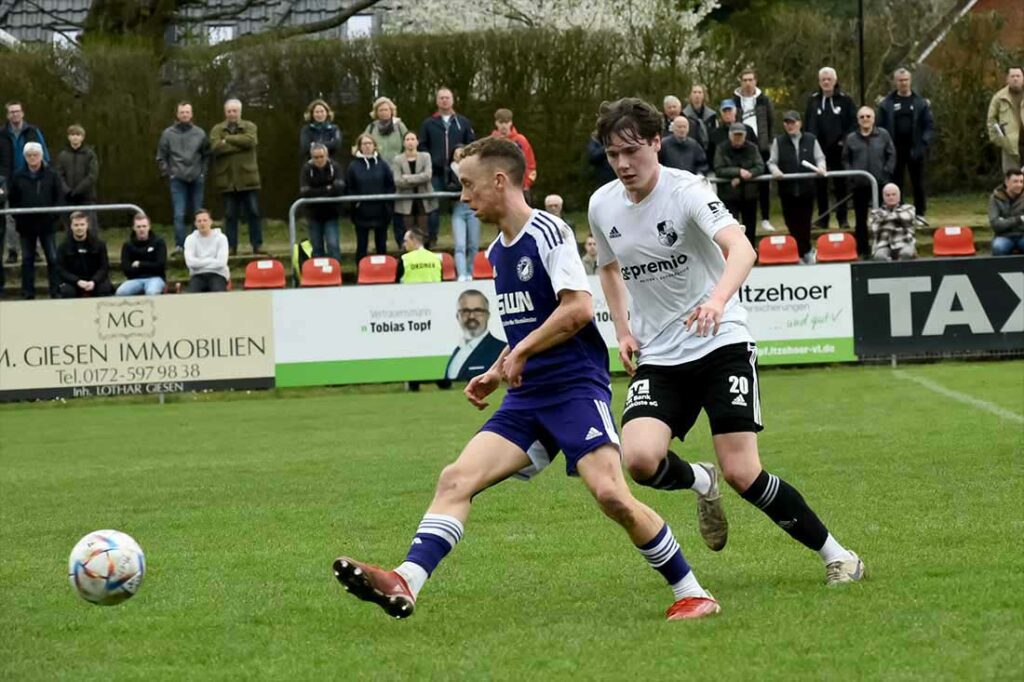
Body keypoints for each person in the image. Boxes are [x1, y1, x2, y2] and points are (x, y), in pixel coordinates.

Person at [333, 135, 722, 622]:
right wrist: (498, 370)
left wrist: (517, 352)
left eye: (469, 185)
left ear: (500, 181)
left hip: (575, 388)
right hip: (526, 397)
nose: (463, 196)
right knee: (456, 478)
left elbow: (577, 310)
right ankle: (406, 580)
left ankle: (693, 591)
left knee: (611, 496)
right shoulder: (497, 252)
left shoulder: (549, 233)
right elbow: (526, 325)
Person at [588, 97, 863, 587]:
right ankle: (700, 479)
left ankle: (838, 555)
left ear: (657, 143)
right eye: (613, 155)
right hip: (660, 353)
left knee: (743, 472)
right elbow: (607, 267)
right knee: (639, 461)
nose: (624, 164)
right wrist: (623, 329)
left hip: (721, 342)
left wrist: (716, 301)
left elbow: (741, 247)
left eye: (632, 150)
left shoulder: (688, 190)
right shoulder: (602, 203)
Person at [768, 111, 827, 263]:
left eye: (793, 122)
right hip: (787, 190)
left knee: (805, 223)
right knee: (791, 223)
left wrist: (821, 167)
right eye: (787, 122)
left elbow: (820, 158)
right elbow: (772, 162)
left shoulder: (811, 139)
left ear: (799, 123)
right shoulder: (778, 141)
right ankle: (801, 252)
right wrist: (776, 171)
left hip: (807, 189)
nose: (790, 125)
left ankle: (804, 252)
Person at [419, 87, 475, 244]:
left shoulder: (463, 122)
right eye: (441, 98)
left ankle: (467, 242)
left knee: (465, 206)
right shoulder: (428, 124)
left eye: (447, 97)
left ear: (453, 100)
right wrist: (431, 160)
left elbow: (471, 144)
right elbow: (422, 146)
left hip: (458, 173)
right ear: (437, 101)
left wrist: (460, 154)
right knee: (433, 207)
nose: (444, 100)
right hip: (436, 172)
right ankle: (431, 239)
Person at [876, 68, 934, 218]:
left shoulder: (920, 103)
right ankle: (898, 212)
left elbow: (928, 125)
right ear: (895, 82)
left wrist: (924, 143)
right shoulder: (887, 104)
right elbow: (880, 126)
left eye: (906, 80)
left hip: (915, 148)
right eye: (900, 80)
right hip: (894, 149)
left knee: (918, 183)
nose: (903, 83)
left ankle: (920, 213)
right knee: (896, 183)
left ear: (910, 81)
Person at [8, 141, 62, 299]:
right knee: (27, 260)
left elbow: (58, 197)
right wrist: (19, 217)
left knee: (52, 258)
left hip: (47, 225)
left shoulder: (52, 174)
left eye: (35, 155)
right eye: (29, 155)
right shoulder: (18, 176)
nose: (32, 158)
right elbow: (13, 200)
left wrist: (54, 217)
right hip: (26, 226)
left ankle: (55, 291)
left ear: (41, 156)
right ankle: (28, 292)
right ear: (25, 157)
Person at [804, 67, 856, 229]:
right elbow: (808, 124)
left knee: (840, 185)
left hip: (840, 150)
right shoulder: (813, 101)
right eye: (823, 80)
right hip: (819, 151)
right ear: (819, 82)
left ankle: (842, 218)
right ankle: (823, 218)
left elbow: (853, 124)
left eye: (829, 79)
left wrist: (844, 141)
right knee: (820, 186)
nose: (826, 82)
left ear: (835, 81)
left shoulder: (846, 100)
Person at [210, 98, 263, 255]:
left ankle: (257, 245)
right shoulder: (217, 129)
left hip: (248, 178)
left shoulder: (250, 126)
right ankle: (231, 247)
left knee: (253, 212)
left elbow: (251, 141)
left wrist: (228, 140)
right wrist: (239, 145)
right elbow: (215, 147)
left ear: (240, 112)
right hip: (227, 179)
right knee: (230, 215)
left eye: (235, 111)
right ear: (225, 112)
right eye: (229, 111)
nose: (232, 114)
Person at [157, 101, 210, 256]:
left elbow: (207, 154)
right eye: (182, 112)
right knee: (179, 214)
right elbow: (161, 157)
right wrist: (169, 172)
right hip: (177, 179)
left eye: (187, 112)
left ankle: (198, 246)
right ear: (177, 114)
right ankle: (180, 246)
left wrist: (203, 172)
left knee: (198, 214)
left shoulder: (200, 133)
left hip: (196, 177)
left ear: (191, 114)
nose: (184, 115)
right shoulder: (167, 134)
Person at [844, 107, 895, 257]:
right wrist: (852, 175)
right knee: (861, 220)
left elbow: (891, 154)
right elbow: (845, 159)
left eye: (868, 116)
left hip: (880, 184)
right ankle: (862, 250)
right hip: (859, 185)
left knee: (885, 218)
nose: (865, 119)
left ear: (873, 118)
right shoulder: (851, 138)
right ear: (858, 120)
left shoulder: (883, 135)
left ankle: (884, 247)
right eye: (862, 117)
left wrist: (886, 172)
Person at [2, 101, 49, 264]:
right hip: (8, 181)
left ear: (22, 113)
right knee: (10, 217)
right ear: (7, 115)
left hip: (31, 178)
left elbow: (44, 154)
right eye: (11, 112)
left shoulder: (33, 132)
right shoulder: (2, 134)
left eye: (17, 111)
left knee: (33, 213)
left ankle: (35, 250)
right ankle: (12, 250)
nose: (15, 114)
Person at [732, 69, 776, 232]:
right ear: (740, 81)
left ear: (755, 81)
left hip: (762, 146)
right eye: (744, 80)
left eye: (751, 79)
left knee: (764, 183)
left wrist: (770, 143)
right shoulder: (734, 101)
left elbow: (771, 122)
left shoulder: (764, 100)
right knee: (742, 182)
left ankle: (765, 218)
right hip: (742, 145)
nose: (748, 83)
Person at [346, 133, 395, 264]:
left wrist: (387, 205)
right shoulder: (353, 166)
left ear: (374, 146)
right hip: (361, 212)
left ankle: (384, 272)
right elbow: (350, 187)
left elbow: (390, 185)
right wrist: (356, 203)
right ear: (359, 147)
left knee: (381, 245)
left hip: (381, 211)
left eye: (369, 143)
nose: (367, 146)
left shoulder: (383, 164)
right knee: (362, 246)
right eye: (364, 144)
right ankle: (361, 272)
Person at [713, 123, 765, 245]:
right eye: (735, 135)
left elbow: (760, 166)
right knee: (731, 228)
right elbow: (718, 169)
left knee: (750, 227)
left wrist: (748, 174)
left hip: (749, 195)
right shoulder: (721, 148)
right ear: (730, 136)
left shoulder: (752, 148)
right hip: (728, 196)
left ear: (745, 136)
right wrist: (738, 172)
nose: (738, 138)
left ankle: (752, 252)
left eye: (740, 136)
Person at [443, 289, 505, 382]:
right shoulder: (458, 350)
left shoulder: (501, 350)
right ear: (457, 316)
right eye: (465, 311)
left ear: (487, 315)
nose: (471, 316)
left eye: (478, 310)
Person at [299, 143, 345, 262]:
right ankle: (318, 275)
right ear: (311, 157)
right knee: (317, 247)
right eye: (316, 157)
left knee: (333, 244)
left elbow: (339, 188)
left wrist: (317, 191)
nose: (319, 160)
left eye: (321, 156)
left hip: (331, 213)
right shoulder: (306, 169)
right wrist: (327, 189)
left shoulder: (335, 167)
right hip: (313, 214)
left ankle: (335, 272)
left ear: (327, 155)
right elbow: (305, 191)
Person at [391, 131, 436, 249]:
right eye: (407, 139)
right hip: (405, 200)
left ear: (417, 142)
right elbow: (398, 181)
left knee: (423, 231)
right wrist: (418, 179)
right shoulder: (398, 159)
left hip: (423, 200)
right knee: (408, 231)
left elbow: (427, 176)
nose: (410, 142)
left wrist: (407, 178)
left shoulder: (426, 156)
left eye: (412, 139)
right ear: (404, 143)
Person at [55, 211, 113, 298]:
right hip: (73, 283)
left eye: (82, 224)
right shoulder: (63, 247)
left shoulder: (99, 244)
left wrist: (94, 281)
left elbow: (104, 267)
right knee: (67, 291)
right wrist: (77, 281)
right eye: (76, 225)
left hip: (95, 281)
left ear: (87, 225)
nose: (79, 228)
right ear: (71, 226)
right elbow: (61, 270)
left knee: (105, 289)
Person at [54, 124, 99, 226]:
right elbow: (59, 175)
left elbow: (92, 175)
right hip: (68, 199)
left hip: (86, 198)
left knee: (90, 228)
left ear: (82, 137)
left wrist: (78, 190)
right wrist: (67, 191)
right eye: (72, 134)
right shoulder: (62, 155)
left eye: (78, 134)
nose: (75, 137)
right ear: (68, 137)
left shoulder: (90, 154)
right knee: (70, 228)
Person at [448, 145, 481, 281]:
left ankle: (470, 271)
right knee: (460, 244)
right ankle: (461, 273)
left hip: (473, 207)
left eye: (461, 153)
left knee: (473, 244)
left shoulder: (473, 169)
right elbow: (448, 185)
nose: (459, 156)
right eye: (456, 153)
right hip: (458, 207)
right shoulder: (449, 169)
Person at [491, 108, 537, 204]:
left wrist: (526, 184)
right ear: (496, 123)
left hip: (520, 189)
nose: (504, 126)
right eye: (501, 122)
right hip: (498, 189)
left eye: (506, 122)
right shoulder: (491, 142)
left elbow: (531, 165)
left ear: (511, 122)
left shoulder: (521, 140)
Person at [116, 212, 167, 296]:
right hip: (134, 280)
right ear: (134, 228)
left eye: (144, 226)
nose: (141, 229)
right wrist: (150, 266)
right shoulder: (127, 245)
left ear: (149, 227)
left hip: (155, 278)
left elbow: (161, 266)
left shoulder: (159, 243)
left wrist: (140, 264)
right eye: (138, 227)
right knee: (121, 292)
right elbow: (126, 269)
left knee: (151, 292)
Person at [987, 66, 1024, 174]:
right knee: (1012, 180)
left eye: (1018, 76)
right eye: (1012, 76)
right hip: (1010, 148)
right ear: (1007, 79)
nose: (1015, 79)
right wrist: (999, 140)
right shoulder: (999, 97)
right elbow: (991, 120)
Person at [184, 208, 229, 293]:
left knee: (218, 293)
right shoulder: (190, 239)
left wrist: (200, 261)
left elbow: (221, 263)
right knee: (190, 295)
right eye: (199, 221)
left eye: (205, 220)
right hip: (197, 275)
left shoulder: (221, 238)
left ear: (211, 221)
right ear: (195, 223)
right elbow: (190, 263)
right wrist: (211, 260)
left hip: (218, 274)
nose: (202, 223)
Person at [869, 183, 917, 261]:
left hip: (904, 243)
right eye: (887, 195)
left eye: (894, 194)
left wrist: (885, 219)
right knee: (879, 256)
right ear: (883, 197)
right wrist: (898, 219)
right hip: (883, 244)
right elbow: (875, 228)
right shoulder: (875, 212)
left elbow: (907, 218)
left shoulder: (909, 208)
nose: (891, 197)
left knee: (906, 253)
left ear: (899, 196)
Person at [989, 168, 1024, 255]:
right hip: (1004, 236)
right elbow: (996, 224)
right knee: (998, 248)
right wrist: (1019, 219)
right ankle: (1000, 269)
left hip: (1023, 235)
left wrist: (1005, 221)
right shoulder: (995, 198)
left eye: (1021, 181)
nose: (1019, 185)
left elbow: (1001, 223)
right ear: (1007, 182)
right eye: (1015, 181)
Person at [364, 96, 408, 165]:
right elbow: (363, 146)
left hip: (397, 167)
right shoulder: (371, 128)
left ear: (391, 111)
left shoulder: (400, 126)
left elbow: (409, 145)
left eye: (386, 110)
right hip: (376, 167)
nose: (383, 112)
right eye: (381, 110)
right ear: (376, 112)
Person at [299, 99, 342, 163]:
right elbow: (305, 147)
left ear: (327, 113)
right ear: (312, 114)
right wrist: (328, 143)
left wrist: (315, 144)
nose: (319, 114)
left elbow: (336, 145)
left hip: (331, 163)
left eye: (322, 111)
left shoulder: (334, 129)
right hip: (311, 164)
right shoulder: (306, 129)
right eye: (317, 112)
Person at [682, 84, 718, 152]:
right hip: (690, 150)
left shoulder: (712, 115)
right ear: (690, 95)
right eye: (694, 92)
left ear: (704, 95)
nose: (697, 95)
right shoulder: (684, 115)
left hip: (709, 151)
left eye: (699, 92)